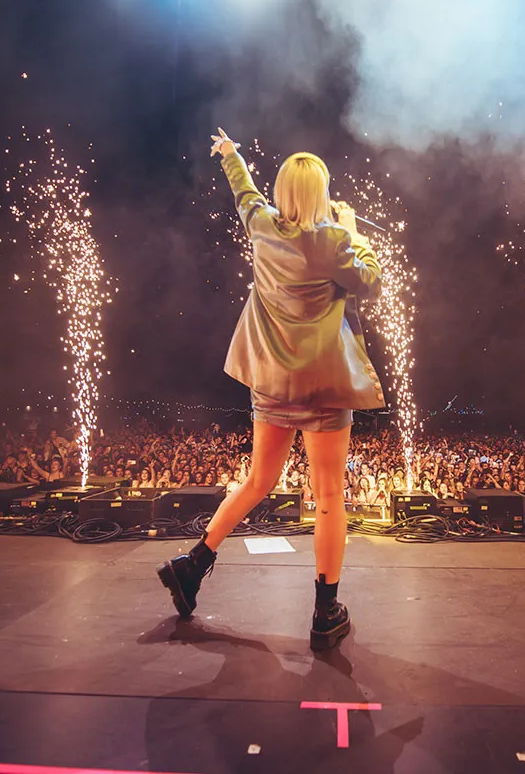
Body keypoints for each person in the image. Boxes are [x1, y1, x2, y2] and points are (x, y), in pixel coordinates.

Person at [158, 127, 384, 652]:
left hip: (272, 384)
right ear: (321, 195)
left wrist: (231, 156)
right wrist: (353, 231)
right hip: (323, 389)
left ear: (283, 194)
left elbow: (245, 194)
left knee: (259, 478)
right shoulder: (331, 243)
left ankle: (193, 566)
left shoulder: (262, 228)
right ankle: (325, 613)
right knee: (328, 496)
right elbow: (369, 281)